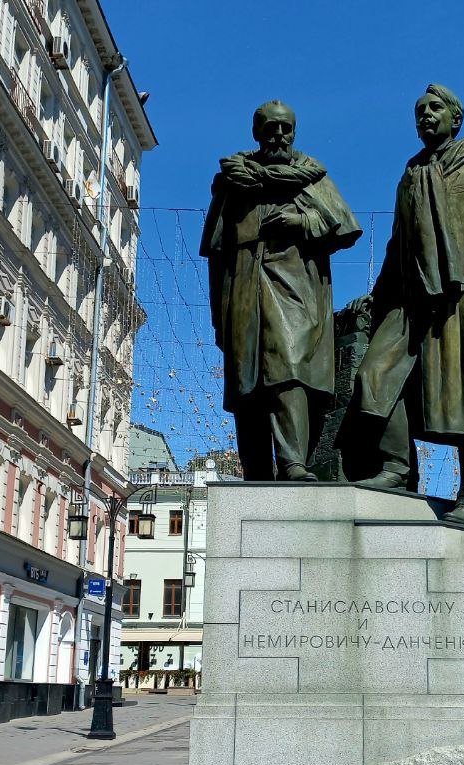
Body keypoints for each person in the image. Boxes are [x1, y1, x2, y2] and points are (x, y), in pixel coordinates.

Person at [354, 84, 464, 526]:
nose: (426, 115)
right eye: (420, 110)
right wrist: (378, 295)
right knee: (376, 374)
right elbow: (399, 244)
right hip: (413, 296)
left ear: (456, 117)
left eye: (435, 108)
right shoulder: (411, 174)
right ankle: (396, 467)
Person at [201, 101, 362, 481]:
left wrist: (301, 221)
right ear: (256, 133)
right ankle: (255, 470)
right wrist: (219, 312)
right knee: (247, 384)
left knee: (289, 371)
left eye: (285, 129)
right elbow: (216, 250)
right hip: (242, 289)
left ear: (294, 132)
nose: (278, 136)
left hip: (295, 289)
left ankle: (293, 463)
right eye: (270, 129)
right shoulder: (233, 182)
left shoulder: (310, 178)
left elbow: (345, 226)